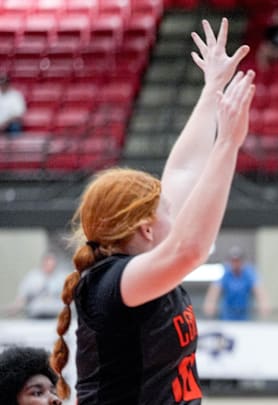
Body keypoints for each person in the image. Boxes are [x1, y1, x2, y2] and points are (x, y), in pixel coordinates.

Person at [49, 18, 255, 403]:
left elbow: (182, 170)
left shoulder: (137, 265)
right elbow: (189, 249)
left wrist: (213, 88)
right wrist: (227, 145)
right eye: (167, 210)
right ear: (145, 228)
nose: (175, 212)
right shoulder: (109, 284)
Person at [203, 246, 269, 321]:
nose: (235, 263)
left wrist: (263, 305)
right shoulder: (225, 272)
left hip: (244, 314)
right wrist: (210, 304)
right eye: (233, 261)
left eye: (238, 261)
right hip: (227, 315)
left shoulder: (249, 273)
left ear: (242, 261)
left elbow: (259, 290)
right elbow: (214, 290)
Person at [5, 252, 68, 319]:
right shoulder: (32, 277)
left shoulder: (62, 278)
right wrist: (14, 308)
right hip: (36, 315)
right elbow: (23, 298)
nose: (49, 266)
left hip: (56, 315)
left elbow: (68, 298)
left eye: (52, 263)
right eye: (47, 263)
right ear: (43, 263)